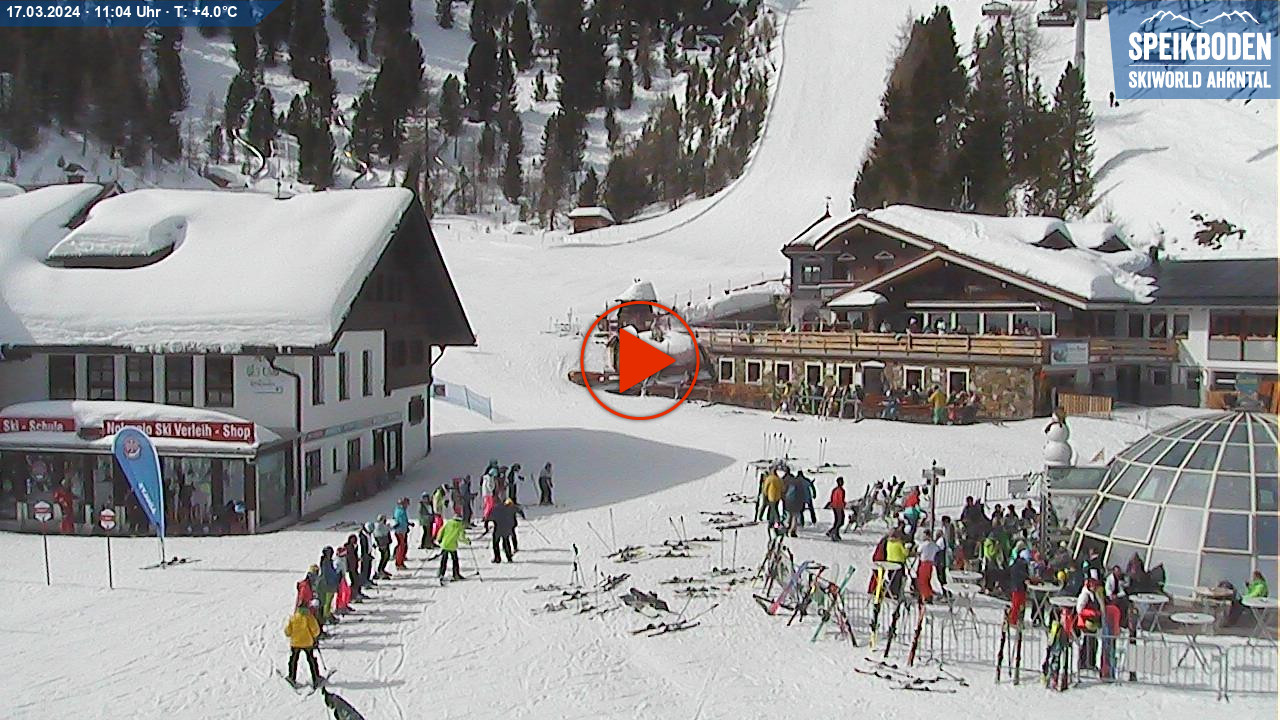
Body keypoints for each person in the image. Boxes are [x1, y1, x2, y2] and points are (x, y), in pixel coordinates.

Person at [284, 602, 323, 689]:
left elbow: (287, 632)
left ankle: (292, 677)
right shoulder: (309, 617)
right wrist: (314, 637)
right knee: (311, 660)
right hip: (307, 642)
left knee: (293, 660)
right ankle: (316, 678)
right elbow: (316, 630)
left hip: (295, 643)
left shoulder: (293, 617)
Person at [434, 513, 470, 581]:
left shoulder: (448, 523)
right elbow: (461, 538)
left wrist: (439, 539)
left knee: (444, 560)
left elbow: (441, 531)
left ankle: (441, 574)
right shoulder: (460, 526)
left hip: (445, 544)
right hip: (452, 546)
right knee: (455, 560)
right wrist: (467, 542)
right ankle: (456, 574)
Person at [490, 498, 525, 563]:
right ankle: (509, 557)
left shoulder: (495, 508)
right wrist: (523, 516)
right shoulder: (510, 507)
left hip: (498, 528)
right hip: (506, 528)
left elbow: (491, 517)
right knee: (506, 542)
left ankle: (497, 558)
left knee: (496, 543)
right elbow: (518, 509)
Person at [1007, 551, 1030, 626]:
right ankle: (1013, 620)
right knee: (1017, 605)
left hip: (1015, 587)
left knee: (1016, 605)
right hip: (1019, 588)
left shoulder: (1015, 564)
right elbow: (1023, 575)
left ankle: (1012, 619)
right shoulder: (1022, 565)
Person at [884, 530, 909, 598]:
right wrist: (907, 549)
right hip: (898, 562)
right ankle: (896, 592)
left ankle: (890, 590)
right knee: (898, 578)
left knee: (891, 577)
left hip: (890, 562)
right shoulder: (898, 543)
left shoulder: (889, 543)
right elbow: (905, 553)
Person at [917, 533, 940, 602]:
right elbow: (938, 549)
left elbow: (918, 551)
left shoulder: (923, 544)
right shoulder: (933, 545)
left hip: (924, 563)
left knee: (923, 581)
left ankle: (927, 595)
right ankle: (927, 594)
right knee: (927, 580)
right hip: (930, 563)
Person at [393, 498, 412, 570]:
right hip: (400, 531)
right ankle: (398, 563)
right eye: (406, 504)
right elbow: (399, 521)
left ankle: (400, 561)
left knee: (402, 546)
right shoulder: (400, 511)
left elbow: (404, 520)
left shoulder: (402, 510)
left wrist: (408, 524)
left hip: (403, 531)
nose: (407, 506)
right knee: (401, 547)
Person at [825, 477, 846, 542]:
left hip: (835, 506)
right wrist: (843, 504)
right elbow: (840, 500)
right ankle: (834, 533)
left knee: (838, 521)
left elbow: (832, 498)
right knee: (840, 521)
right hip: (838, 507)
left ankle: (833, 532)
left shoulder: (835, 490)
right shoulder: (841, 490)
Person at [357, 523, 377, 590]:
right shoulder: (362, 536)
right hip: (364, 555)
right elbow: (362, 547)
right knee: (364, 569)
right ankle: (364, 581)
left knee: (369, 567)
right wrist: (364, 556)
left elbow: (369, 542)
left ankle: (368, 579)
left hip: (369, 553)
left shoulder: (368, 534)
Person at [373, 515, 393, 580]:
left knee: (386, 556)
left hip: (385, 543)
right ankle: (380, 570)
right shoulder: (379, 526)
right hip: (383, 544)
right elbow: (385, 531)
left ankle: (382, 569)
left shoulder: (382, 525)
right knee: (384, 557)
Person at [480, 468, 497, 534]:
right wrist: (492, 488)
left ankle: (486, 515)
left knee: (488, 505)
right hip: (488, 494)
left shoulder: (486, 478)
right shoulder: (489, 478)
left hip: (486, 494)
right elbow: (489, 486)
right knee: (489, 505)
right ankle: (487, 516)